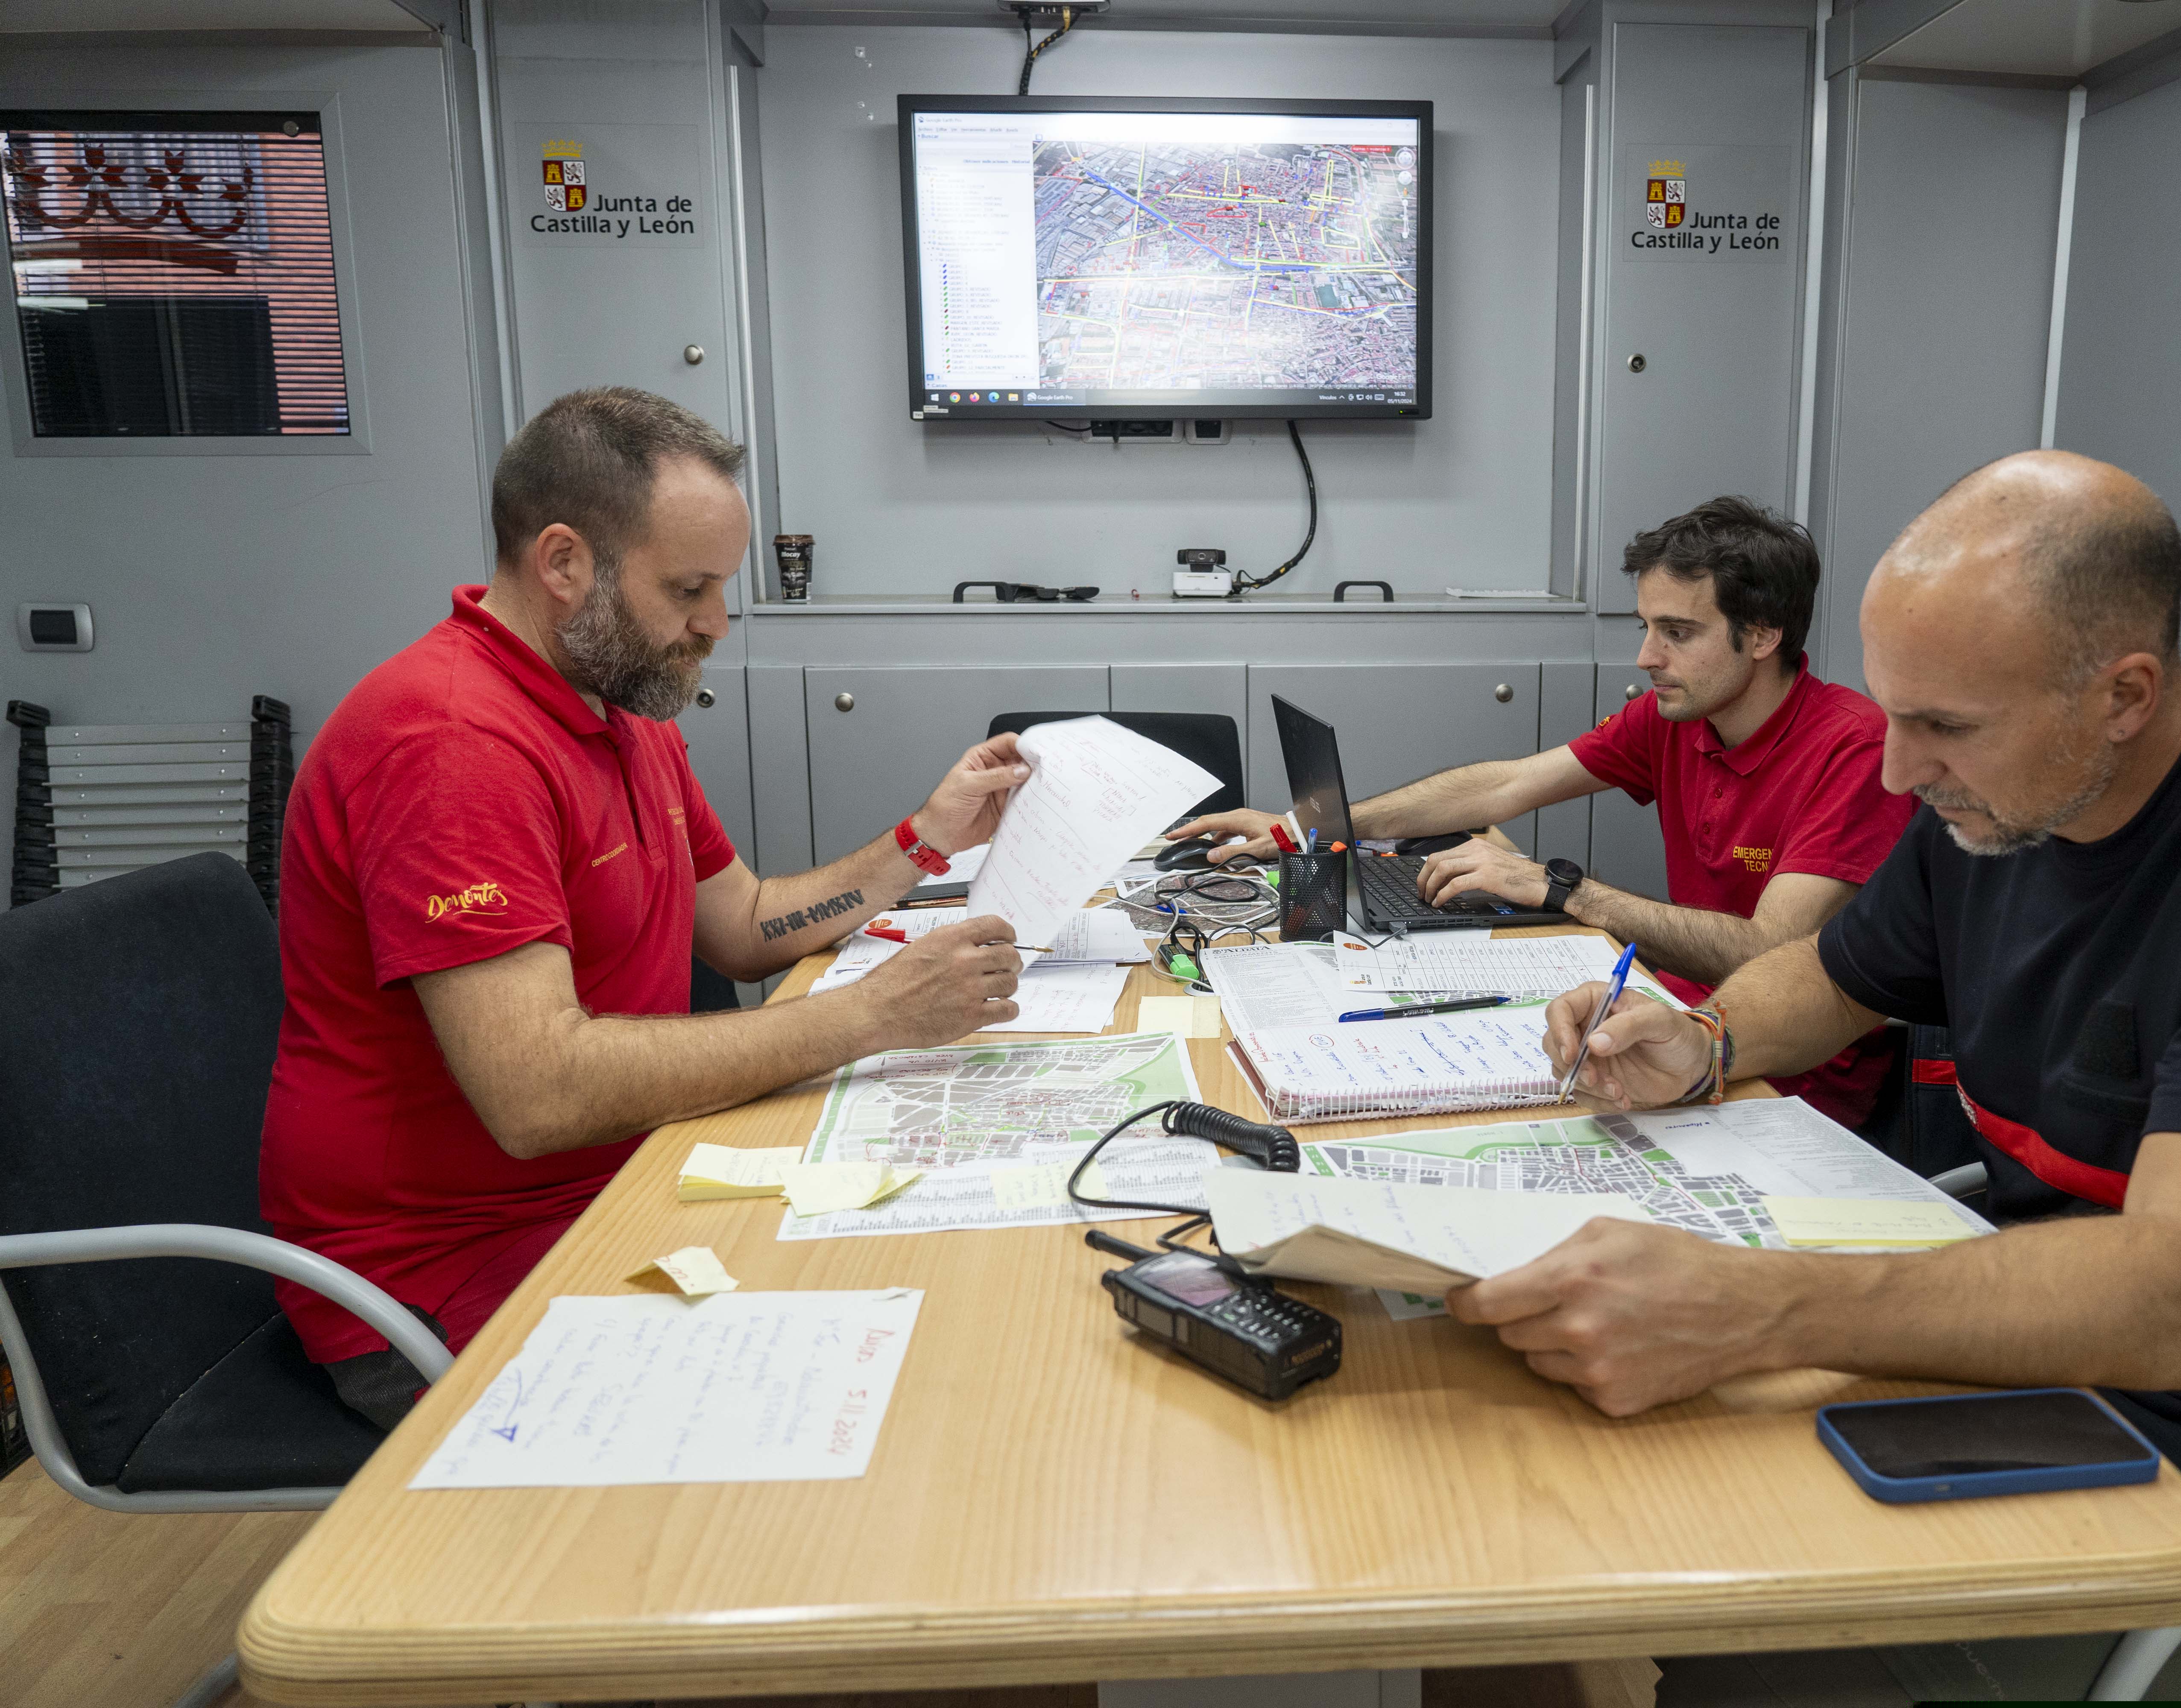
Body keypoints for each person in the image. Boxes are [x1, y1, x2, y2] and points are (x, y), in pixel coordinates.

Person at [1471, 451, 2181, 1702]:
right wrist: (1708, 1042)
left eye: (1946, 726)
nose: (1899, 772)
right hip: (2039, 1379)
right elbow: (1836, 973)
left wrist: (1766, 1307)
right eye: (1894, 713)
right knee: (1632, 1519)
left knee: (1758, 1648)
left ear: (2123, 694)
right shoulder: (2003, 813)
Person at [261, 387, 1027, 1428]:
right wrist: (873, 1016)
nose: (716, 621)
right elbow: (541, 1096)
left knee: (952, 1287)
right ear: (564, 563)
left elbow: (745, 924)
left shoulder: (619, 699)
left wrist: (924, 839)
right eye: (689, 588)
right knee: (869, 1392)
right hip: (442, 1275)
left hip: (617, 1181)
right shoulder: (450, 747)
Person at [1172, 497, 1912, 1127]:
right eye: (1646, 626)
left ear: (1762, 637)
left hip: (1780, 1082)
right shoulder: (1678, 717)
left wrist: (1565, 889)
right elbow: (1504, 786)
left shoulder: (1853, 750)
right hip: (1659, 1022)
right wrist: (1309, 830)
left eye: (1677, 633)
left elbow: (1768, 951)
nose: (1646, 657)